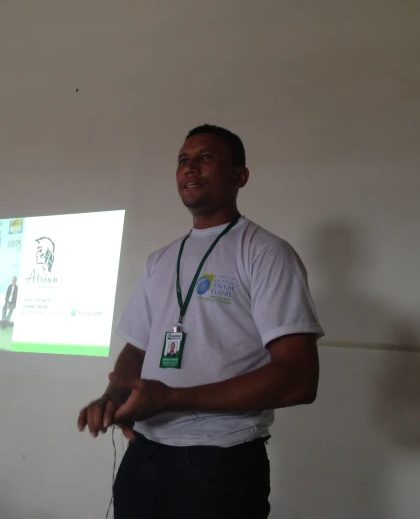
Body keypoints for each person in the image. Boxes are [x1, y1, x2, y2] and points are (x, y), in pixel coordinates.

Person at [77, 125, 324, 519]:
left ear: (240, 176)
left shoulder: (265, 253)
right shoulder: (160, 260)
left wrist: (173, 399)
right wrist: (112, 398)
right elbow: (139, 348)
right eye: (183, 160)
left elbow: (299, 378)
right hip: (144, 454)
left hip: (219, 463)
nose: (190, 167)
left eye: (206, 157)